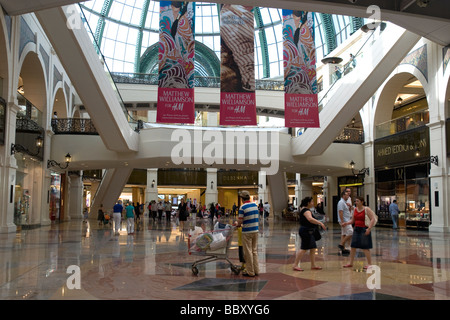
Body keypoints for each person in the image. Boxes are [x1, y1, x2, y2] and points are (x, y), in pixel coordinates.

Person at [292, 197, 326, 271]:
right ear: (308, 203)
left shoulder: (304, 209)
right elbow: (310, 219)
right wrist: (320, 222)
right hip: (306, 231)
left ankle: (313, 265)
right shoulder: (306, 211)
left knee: (313, 248)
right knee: (303, 249)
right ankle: (295, 264)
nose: (313, 203)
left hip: (308, 231)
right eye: (312, 202)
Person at [342, 196, 376, 269]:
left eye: (357, 201)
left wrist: (369, 228)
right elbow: (353, 221)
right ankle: (350, 263)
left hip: (364, 229)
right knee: (353, 246)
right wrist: (346, 223)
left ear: (362, 202)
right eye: (355, 201)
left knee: (365, 247)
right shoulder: (355, 210)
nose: (356, 202)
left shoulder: (366, 209)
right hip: (356, 229)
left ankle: (369, 264)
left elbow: (373, 219)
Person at [233, 190, 259, 277]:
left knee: (248, 252)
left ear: (242, 199)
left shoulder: (242, 207)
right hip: (255, 230)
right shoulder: (255, 205)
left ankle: (250, 271)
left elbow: (240, 221)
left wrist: (237, 224)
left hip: (247, 231)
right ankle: (256, 270)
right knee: (254, 251)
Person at [337, 190, 352, 256]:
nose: (348, 196)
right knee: (351, 232)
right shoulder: (341, 202)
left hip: (346, 220)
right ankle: (341, 244)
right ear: (343, 195)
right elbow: (340, 212)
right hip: (345, 221)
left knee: (344, 234)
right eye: (347, 195)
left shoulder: (344, 202)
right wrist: (342, 221)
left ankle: (342, 249)